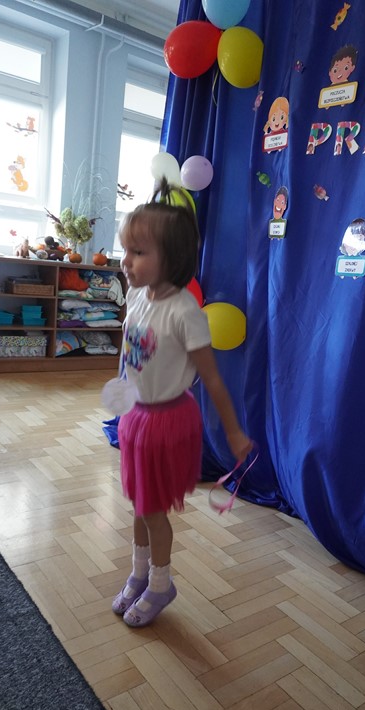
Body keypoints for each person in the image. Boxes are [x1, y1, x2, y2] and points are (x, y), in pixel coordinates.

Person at [111, 179, 252, 628]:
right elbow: (131, 356)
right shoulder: (136, 295)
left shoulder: (184, 312)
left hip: (166, 423)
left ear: (171, 258)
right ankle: (138, 574)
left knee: (153, 509)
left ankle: (160, 583)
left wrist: (233, 431)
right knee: (138, 502)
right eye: (126, 249)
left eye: (138, 252)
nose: (126, 261)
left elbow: (211, 378)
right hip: (137, 416)